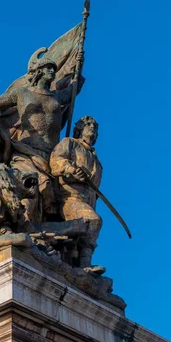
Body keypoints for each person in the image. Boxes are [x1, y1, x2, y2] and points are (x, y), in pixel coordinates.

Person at [0, 51, 84, 222]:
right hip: (27, 151)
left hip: (52, 154)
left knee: (58, 197)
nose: (53, 71)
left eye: (54, 68)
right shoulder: (22, 93)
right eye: (49, 68)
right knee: (34, 185)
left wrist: (80, 63)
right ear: (39, 71)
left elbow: (74, 88)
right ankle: (24, 225)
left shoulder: (57, 96)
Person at [50, 115, 103, 271]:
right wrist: (71, 170)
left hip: (88, 201)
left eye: (95, 127)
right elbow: (56, 160)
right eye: (89, 125)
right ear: (80, 129)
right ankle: (85, 264)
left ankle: (81, 266)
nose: (93, 128)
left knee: (87, 229)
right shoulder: (70, 143)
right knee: (94, 220)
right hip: (69, 197)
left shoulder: (97, 161)